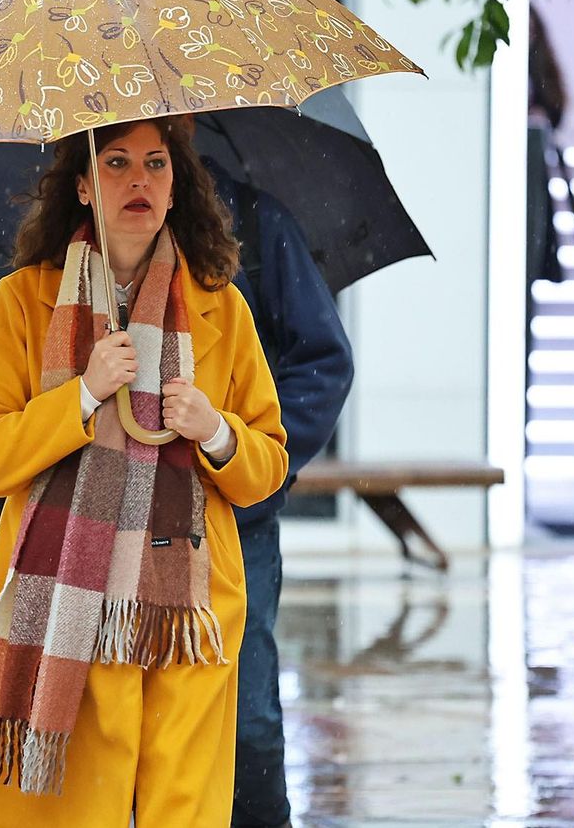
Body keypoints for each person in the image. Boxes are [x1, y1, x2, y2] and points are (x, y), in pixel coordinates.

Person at [0, 117, 288, 825]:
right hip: (68, 603)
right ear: (81, 184)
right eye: (115, 162)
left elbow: (267, 466)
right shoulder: (22, 301)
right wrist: (80, 392)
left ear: (176, 186)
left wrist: (216, 431)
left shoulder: (221, 307)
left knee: (184, 811)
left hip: (188, 611)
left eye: (156, 163)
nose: (138, 179)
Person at [202, 152, 354, 827]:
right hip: (123, 520)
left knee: (246, 715)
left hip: (238, 518)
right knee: (132, 723)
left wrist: (255, 455)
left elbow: (322, 361)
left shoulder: (255, 224)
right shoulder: (88, 237)